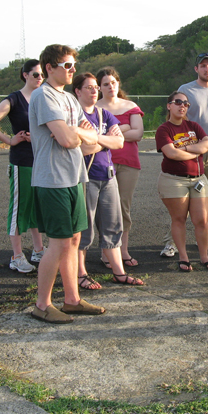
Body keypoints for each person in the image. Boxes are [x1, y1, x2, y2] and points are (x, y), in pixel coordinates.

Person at [28, 44, 105, 324]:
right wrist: (76, 133)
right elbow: (69, 140)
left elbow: (93, 136)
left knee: (73, 240)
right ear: (49, 67)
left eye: (73, 65)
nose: (72, 70)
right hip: (53, 180)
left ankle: (71, 300)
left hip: (74, 177)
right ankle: (42, 304)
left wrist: (77, 133)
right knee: (58, 243)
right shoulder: (44, 96)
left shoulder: (70, 99)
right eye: (67, 66)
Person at [160, 53, 208, 256]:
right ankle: (172, 242)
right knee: (181, 198)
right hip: (191, 149)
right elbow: (177, 115)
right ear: (196, 69)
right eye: (203, 66)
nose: (207, 69)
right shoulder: (186, 90)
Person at [73, 73, 144, 288]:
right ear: (77, 91)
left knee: (114, 225)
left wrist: (94, 138)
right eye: (89, 87)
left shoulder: (104, 114)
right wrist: (106, 141)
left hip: (108, 176)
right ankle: (80, 274)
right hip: (86, 177)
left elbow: (120, 142)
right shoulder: (75, 117)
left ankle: (118, 272)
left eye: (96, 87)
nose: (94, 91)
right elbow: (81, 148)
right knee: (84, 228)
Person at [0, 59, 45, 274]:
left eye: (42, 75)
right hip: (22, 162)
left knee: (37, 207)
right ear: (25, 75)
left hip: (41, 161)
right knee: (19, 208)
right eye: (35, 74)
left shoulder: (43, 97)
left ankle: (38, 250)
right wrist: (9, 140)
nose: (40, 78)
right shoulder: (15, 99)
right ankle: (17, 256)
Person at [156, 91, 208, 272]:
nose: (182, 106)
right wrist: (196, 151)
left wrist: (187, 147)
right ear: (169, 105)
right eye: (177, 102)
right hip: (173, 181)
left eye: (185, 104)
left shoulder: (193, 126)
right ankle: (183, 257)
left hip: (199, 179)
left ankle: (204, 257)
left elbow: (207, 145)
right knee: (179, 219)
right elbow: (171, 153)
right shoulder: (164, 129)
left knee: (202, 220)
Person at [95, 67, 143, 269]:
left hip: (128, 164)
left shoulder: (130, 106)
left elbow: (138, 133)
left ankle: (123, 250)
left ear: (118, 84)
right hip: (101, 164)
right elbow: (90, 136)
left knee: (123, 207)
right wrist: (124, 129)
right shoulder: (94, 107)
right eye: (105, 84)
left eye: (113, 82)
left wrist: (114, 131)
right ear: (99, 87)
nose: (110, 86)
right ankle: (107, 251)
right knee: (103, 208)